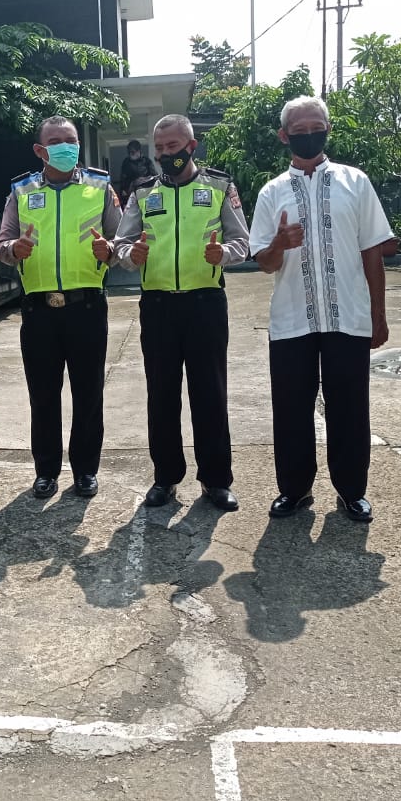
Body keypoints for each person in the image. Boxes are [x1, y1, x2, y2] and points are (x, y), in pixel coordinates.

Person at [248, 96, 395, 522]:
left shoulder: (355, 182)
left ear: (328, 130)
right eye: (299, 129)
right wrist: (279, 243)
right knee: (291, 407)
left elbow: (372, 252)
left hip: (347, 316)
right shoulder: (272, 192)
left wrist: (378, 315)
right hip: (292, 319)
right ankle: (294, 490)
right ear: (284, 135)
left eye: (317, 126)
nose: (308, 134)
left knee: (349, 405)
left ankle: (352, 491)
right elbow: (264, 263)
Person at [113, 113, 250, 511]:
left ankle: (216, 480)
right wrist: (129, 254)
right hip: (158, 306)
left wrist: (222, 253)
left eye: (172, 146)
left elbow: (242, 240)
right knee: (162, 394)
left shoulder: (220, 186)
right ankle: (166, 478)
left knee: (210, 394)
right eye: (159, 148)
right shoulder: (142, 192)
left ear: (191, 146)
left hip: (205, 303)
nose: (164, 154)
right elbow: (120, 243)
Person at [0, 116, 121, 500]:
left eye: (71, 140)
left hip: (86, 308)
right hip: (38, 311)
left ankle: (85, 470)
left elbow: (122, 241)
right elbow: (2, 245)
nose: (66, 146)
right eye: (56, 141)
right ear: (40, 150)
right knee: (44, 395)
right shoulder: (21, 190)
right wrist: (14, 250)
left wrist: (111, 252)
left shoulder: (100, 187)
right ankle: (46, 471)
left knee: (88, 393)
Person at [116, 139, 154, 204]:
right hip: (131, 194)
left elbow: (154, 176)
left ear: (138, 151)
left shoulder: (147, 161)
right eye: (129, 152)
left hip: (145, 192)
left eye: (133, 152)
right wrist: (124, 190)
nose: (130, 154)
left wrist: (144, 180)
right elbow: (123, 179)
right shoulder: (126, 162)